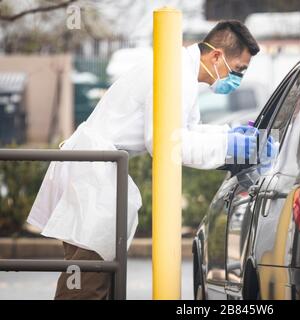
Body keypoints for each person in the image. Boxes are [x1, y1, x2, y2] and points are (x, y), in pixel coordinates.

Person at [27, 20, 265, 300]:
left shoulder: (180, 72)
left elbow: (186, 131)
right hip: (92, 176)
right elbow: (167, 143)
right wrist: (231, 147)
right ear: (216, 56)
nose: (236, 79)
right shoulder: (174, 73)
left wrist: (229, 135)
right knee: (88, 282)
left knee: (96, 277)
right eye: (237, 70)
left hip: (97, 172)